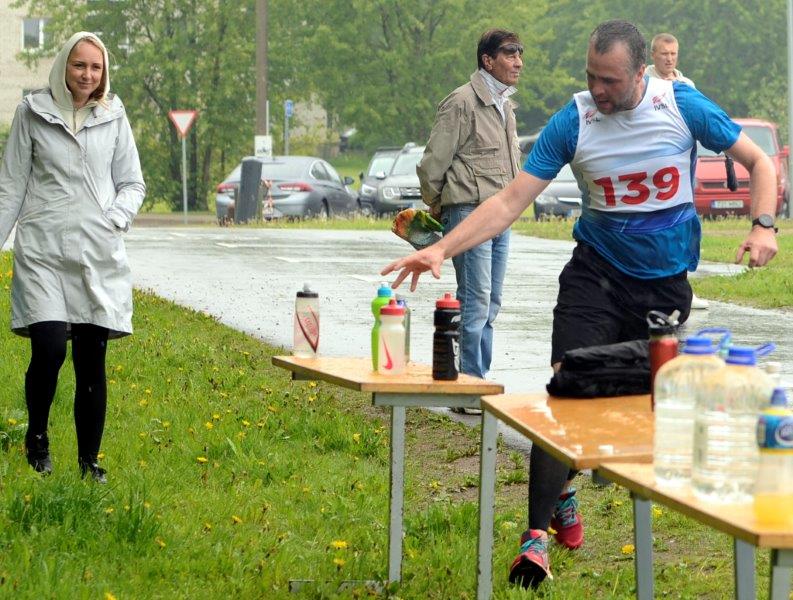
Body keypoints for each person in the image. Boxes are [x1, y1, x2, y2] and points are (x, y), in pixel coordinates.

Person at [382, 19, 778, 588]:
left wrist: (763, 225)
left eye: (610, 80)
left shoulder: (681, 105)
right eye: (591, 76)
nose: (598, 89)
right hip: (594, 276)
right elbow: (510, 201)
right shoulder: (575, 119)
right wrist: (441, 248)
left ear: (640, 74)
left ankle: (565, 486)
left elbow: (760, 162)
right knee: (567, 389)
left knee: (628, 407)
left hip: (663, 290)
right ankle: (534, 540)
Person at [0, 32, 146, 483]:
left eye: (95, 67)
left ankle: (89, 462)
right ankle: (37, 439)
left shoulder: (113, 115)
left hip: (95, 254)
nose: (87, 75)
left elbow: (132, 183)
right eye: (80, 65)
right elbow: (11, 185)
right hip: (42, 250)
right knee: (48, 348)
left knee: (90, 359)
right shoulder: (32, 112)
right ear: (63, 66)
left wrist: (114, 219)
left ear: (104, 72)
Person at [416, 29, 523, 413]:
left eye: (520, 54)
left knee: (491, 301)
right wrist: (436, 204)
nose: (518, 62)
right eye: (509, 54)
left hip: (500, 217)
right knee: (475, 300)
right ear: (487, 60)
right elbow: (433, 163)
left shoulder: (505, 105)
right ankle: (469, 389)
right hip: (467, 212)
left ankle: (477, 381)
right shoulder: (461, 102)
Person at [647, 32, 710, 309]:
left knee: (684, 224)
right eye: (664, 54)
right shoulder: (642, 82)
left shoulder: (687, 85)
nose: (669, 59)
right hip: (650, 167)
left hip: (682, 167)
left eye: (673, 54)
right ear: (653, 55)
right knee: (653, 226)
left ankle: (682, 287)